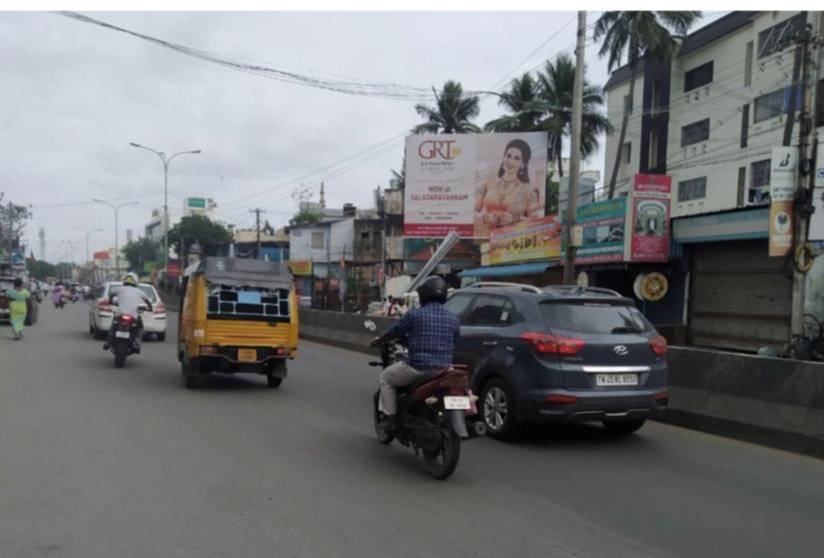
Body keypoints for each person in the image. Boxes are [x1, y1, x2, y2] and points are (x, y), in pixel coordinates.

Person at [370, 276, 460, 431]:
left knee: (385, 377)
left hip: (418, 369)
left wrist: (379, 340)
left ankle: (391, 419)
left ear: (424, 295)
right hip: (444, 370)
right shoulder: (453, 318)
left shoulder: (414, 315)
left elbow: (394, 331)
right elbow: (456, 338)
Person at [474, 138, 534, 236]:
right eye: (508, 156)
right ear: (503, 157)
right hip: (485, 238)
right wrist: (484, 217)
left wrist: (515, 219)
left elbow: (537, 223)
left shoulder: (528, 190)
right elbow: (472, 212)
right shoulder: (488, 182)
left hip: (512, 241)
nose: (510, 161)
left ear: (523, 164)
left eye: (517, 158)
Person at [103, 273, 153, 353]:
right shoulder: (139, 291)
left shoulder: (119, 289)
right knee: (140, 328)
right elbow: (147, 300)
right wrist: (150, 308)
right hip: (133, 315)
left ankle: (108, 341)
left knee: (113, 325)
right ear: (136, 282)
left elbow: (111, 294)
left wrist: (110, 301)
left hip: (120, 314)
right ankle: (137, 342)